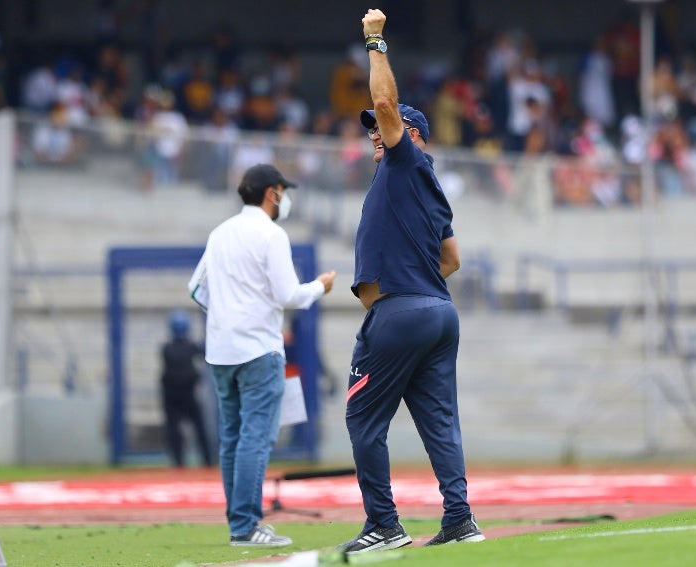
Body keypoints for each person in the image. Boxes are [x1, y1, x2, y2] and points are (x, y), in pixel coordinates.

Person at [339, 8, 485, 554]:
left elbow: (382, 102)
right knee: (440, 424)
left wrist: (375, 40)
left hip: (400, 313)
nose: (375, 132)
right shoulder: (425, 187)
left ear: (409, 133)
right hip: (437, 313)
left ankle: (385, 524)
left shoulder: (404, 164)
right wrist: (418, 283)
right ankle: (460, 519)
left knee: (362, 420)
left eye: (384, 128)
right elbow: (452, 257)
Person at [188, 163, 336, 546]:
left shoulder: (220, 233)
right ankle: (246, 525)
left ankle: (240, 523)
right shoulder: (271, 235)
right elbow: (289, 295)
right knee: (255, 438)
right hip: (258, 349)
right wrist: (320, 287)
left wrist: (228, 316)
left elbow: (196, 289)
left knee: (233, 438)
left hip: (221, 351)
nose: (284, 199)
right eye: (283, 192)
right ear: (272, 192)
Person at [159, 309, 212, 468]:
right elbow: (202, 351)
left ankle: (181, 462)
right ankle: (206, 461)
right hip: (182, 396)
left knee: (178, 430)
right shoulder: (181, 348)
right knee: (188, 429)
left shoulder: (167, 348)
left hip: (176, 397)